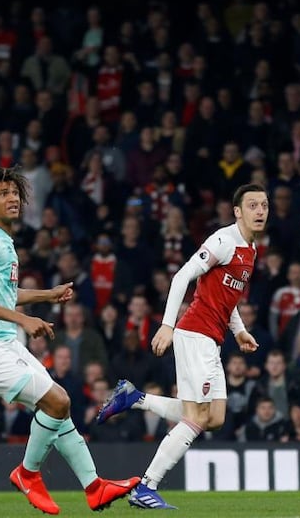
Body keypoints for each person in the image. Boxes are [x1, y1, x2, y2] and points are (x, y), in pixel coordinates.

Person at [0, 166, 137, 515]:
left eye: (15, 193)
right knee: (57, 400)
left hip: (3, 343)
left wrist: (47, 296)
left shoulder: (2, 239)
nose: (13, 199)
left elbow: (4, 294)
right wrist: (24, 319)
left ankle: (95, 487)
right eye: (3, 193)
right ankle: (27, 473)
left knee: (59, 406)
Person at [95, 184, 268, 509]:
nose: (260, 211)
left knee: (213, 417)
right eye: (253, 205)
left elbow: (227, 299)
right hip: (195, 334)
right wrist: (167, 325)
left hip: (213, 339)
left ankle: (134, 398)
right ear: (238, 211)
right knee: (197, 415)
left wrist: (240, 331)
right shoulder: (223, 241)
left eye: (264, 205)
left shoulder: (251, 250)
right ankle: (146, 486)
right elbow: (181, 277)